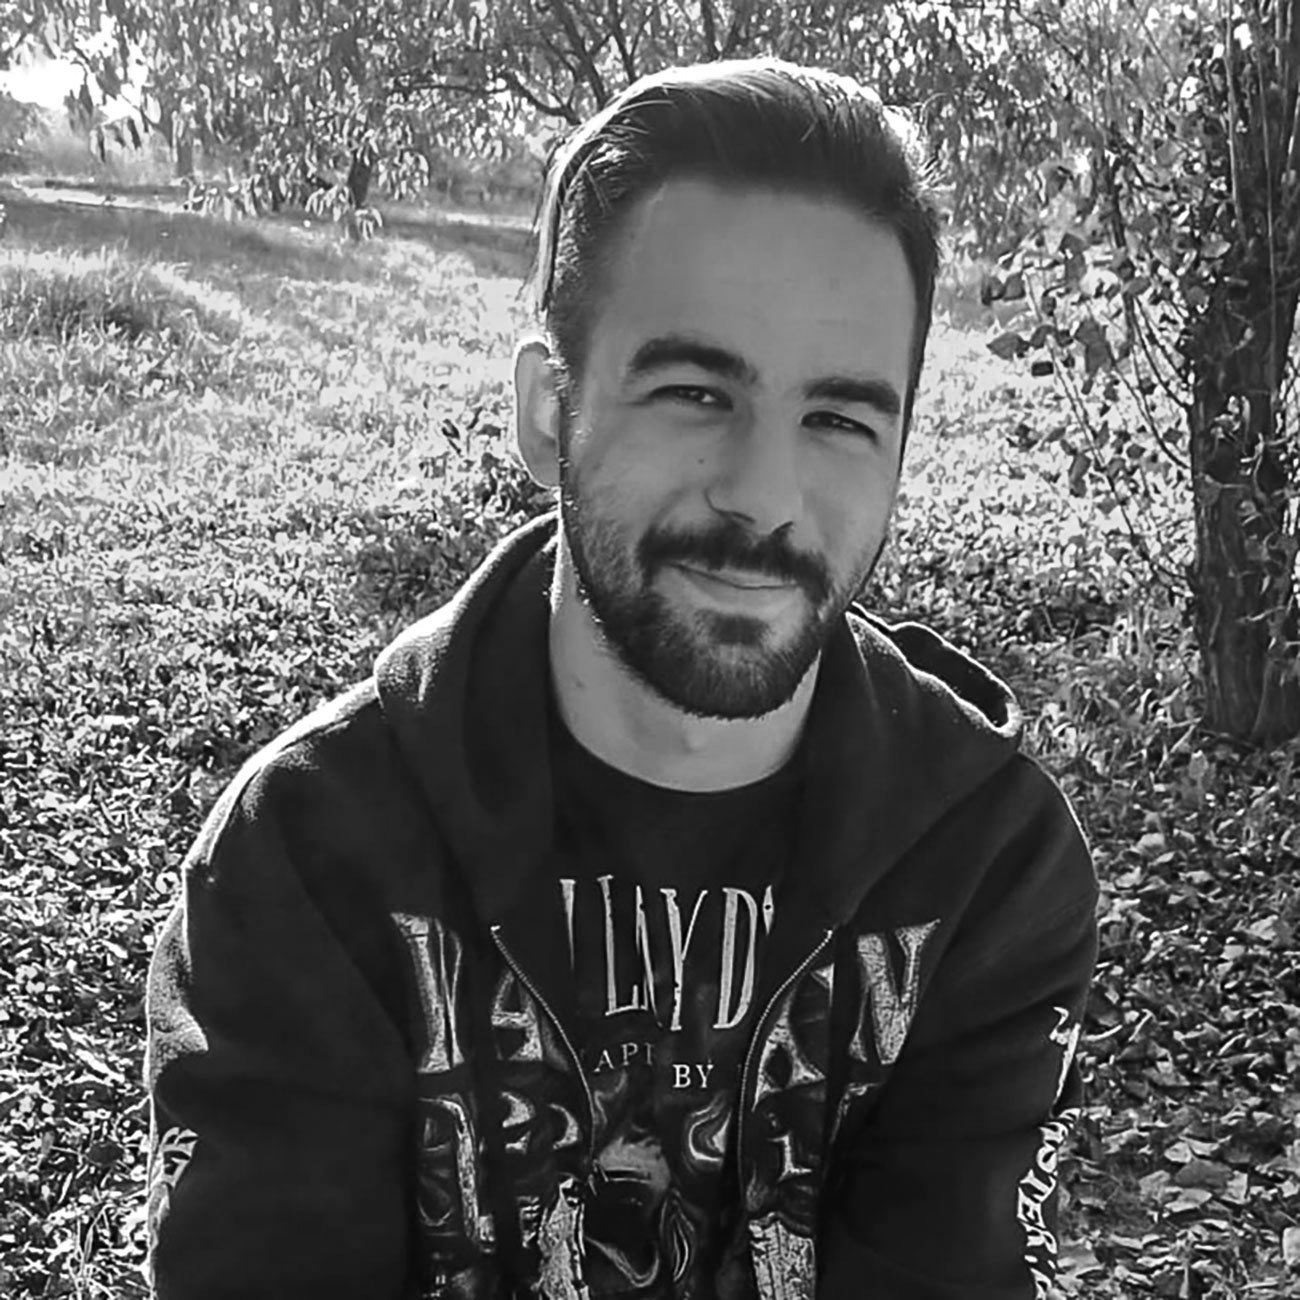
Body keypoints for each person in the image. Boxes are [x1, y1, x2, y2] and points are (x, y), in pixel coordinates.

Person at [142, 57, 1098, 1300]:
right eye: (695, 392)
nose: (763, 496)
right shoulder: (316, 851)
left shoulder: (981, 865)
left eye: (839, 419)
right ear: (550, 413)